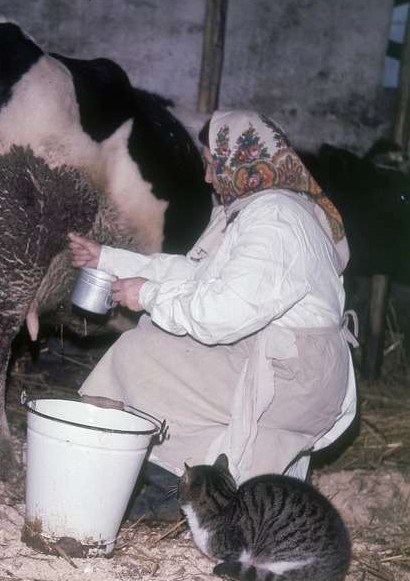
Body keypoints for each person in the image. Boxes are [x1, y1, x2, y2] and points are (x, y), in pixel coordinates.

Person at [68, 110, 357, 513]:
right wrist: (109, 260)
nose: (206, 177)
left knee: (137, 354)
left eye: (211, 163)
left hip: (295, 376)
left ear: (240, 160)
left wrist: (148, 296)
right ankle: (172, 479)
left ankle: (169, 489)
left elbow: (219, 315)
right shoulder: (267, 207)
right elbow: (198, 274)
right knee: (157, 337)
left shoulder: (275, 220)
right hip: (290, 360)